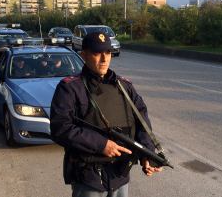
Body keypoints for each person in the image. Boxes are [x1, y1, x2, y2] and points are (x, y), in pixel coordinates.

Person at [50, 32, 162, 197]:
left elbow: (141, 121)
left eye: (108, 52)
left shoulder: (125, 86)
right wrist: (101, 144)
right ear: (84, 55)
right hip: (89, 178)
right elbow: (60, 128)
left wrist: (147, 154)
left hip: (121, 175)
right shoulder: (70, 88)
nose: (104, 59)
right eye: (97, 53)